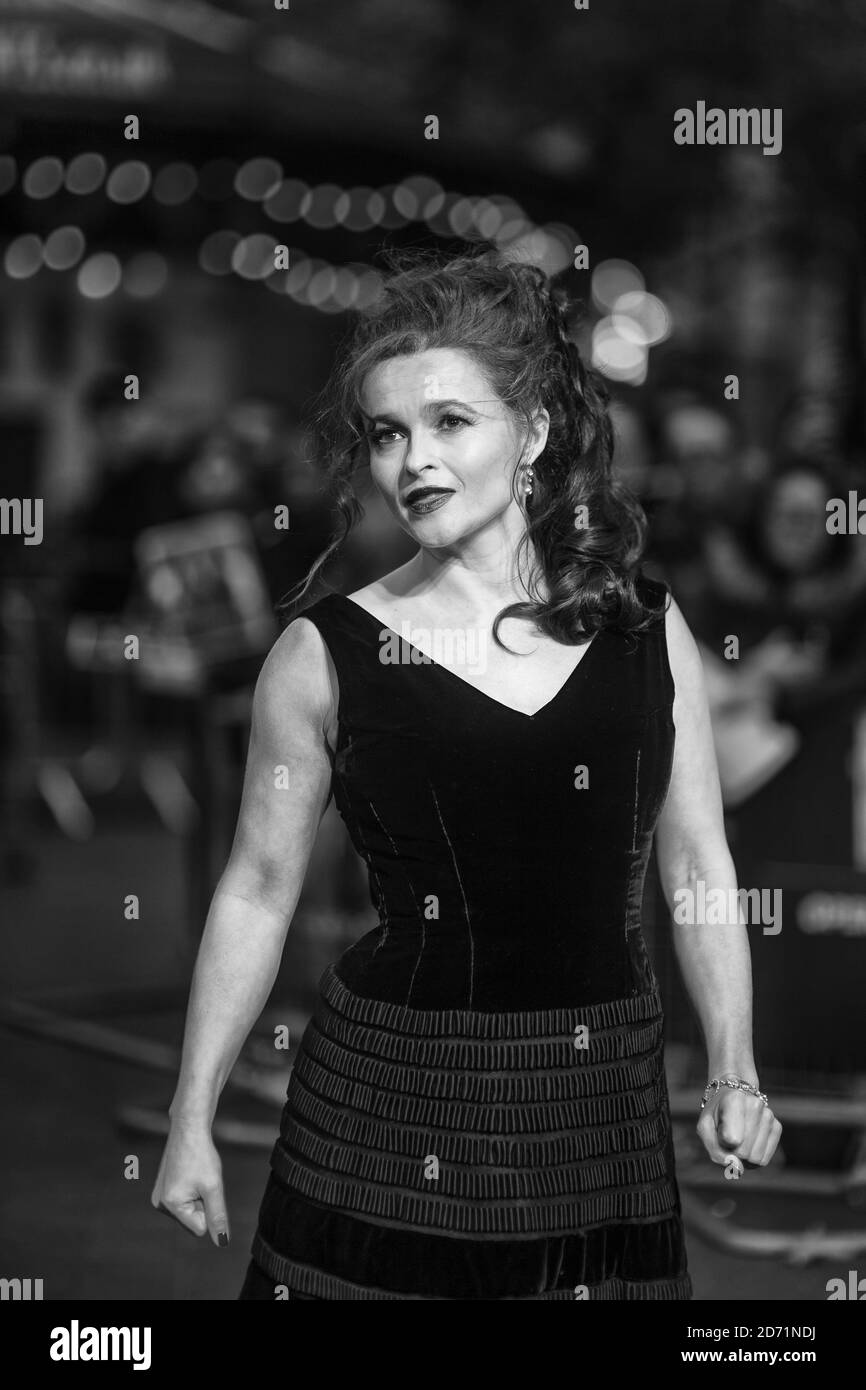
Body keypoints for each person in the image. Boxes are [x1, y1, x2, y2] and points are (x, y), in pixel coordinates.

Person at [151, 250, 782, 1301]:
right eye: (388, 433)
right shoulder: (323, 654)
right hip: (392, 1101)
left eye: (450, 422)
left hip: (599, 1110)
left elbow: (698, 863)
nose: (412, 460)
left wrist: (731, 1065)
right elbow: (257, 891)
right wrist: (188, 1119)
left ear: (530, 432)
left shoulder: (644, 625)